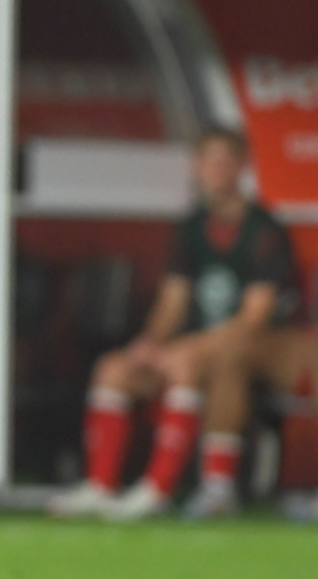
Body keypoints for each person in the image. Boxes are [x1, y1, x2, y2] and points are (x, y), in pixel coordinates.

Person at [48, 128, 302, 521]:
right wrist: (149, 342)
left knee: (193, 362)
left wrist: (191, 348)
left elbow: (255, 317)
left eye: (225, 161)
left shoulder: (264, 230)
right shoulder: (190, 227)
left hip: (243, 348)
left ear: (242, 166)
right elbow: (172, 302)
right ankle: (100, 486)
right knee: (114, 369)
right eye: (209, 161)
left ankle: (159, 489)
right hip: (191, 348)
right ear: (196, 167)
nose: (217, 171)